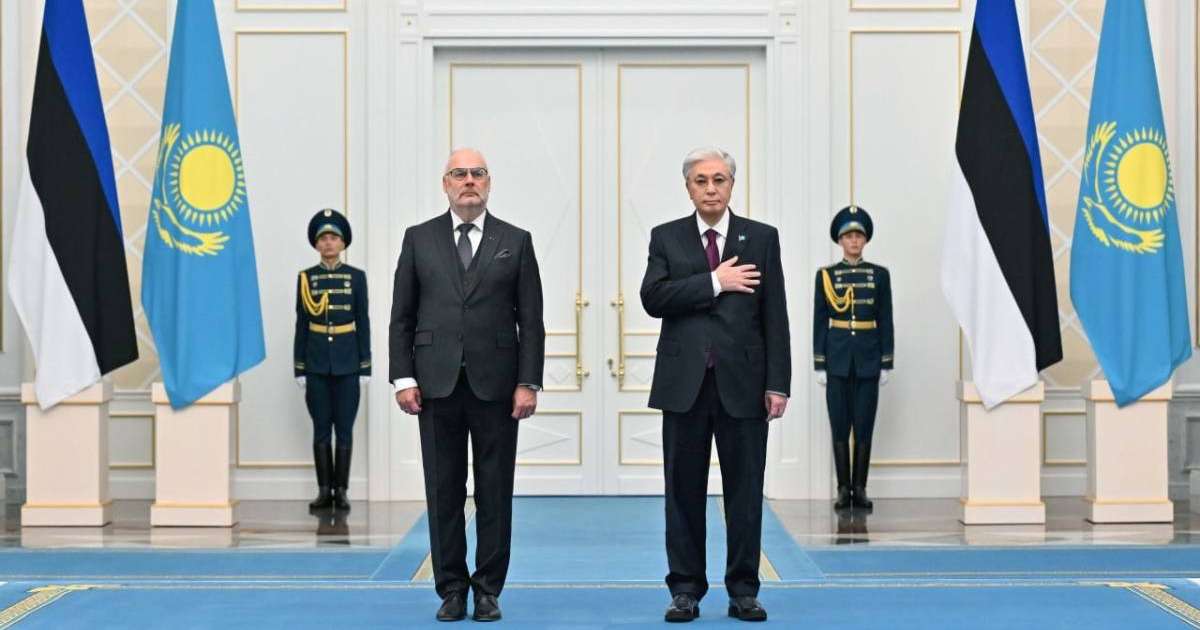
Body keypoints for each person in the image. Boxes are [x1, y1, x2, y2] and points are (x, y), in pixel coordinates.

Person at [390, 148, 545, 622]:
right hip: (434, 385)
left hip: (498, 387)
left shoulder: (515, 241)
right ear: (445, 184)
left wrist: (529, 382)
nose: (469, 181)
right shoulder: (419, 239)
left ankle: (488, 589)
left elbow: (531, 321)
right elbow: (402, 316)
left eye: (477, 173)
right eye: (460, 174)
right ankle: (451, 588)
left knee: (495, 490)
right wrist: (403, 376)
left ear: (489, 182)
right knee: (443, 490)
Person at [640, 147, 790, 623]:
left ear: (731, 185)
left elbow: (775, 315)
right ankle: (684, 589)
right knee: (682, 491)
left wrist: (779, 383)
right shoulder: (667, 238)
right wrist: (713, 281)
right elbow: (653, 297)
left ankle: (743, 589)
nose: (710, 188)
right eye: (701, 180)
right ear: (688, 187)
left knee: (744, 492)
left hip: (744, 385)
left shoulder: (761, 238)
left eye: (719, 179)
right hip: (684, 385)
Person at [813, 205, 894, 511]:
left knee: (863, 426)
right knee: (839, 426)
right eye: (849, 236)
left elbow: (886, 319)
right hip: (836, 360)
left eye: (859, 235)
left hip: (868, 360)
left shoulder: (879, 275)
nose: (854, 241)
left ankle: (859, 488)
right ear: (839, 240)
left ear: (865, 239)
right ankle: (842, 488)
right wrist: (820, 362)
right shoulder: (826, 276)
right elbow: (820, 321)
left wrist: (886, 361)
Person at [294, 208, 370, 513]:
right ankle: (324, 491)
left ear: (343, 243)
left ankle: (342, 491)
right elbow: (301, 323)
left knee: (346, 428)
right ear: (316, 243)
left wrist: (366, 364)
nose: (328, 243)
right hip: (316, 364)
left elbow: (362, 322)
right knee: (321, 428)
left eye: (333, 237)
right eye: (323, 238)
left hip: (348, 364)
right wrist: (299, 366)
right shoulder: (306, 278)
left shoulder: (356, 278)